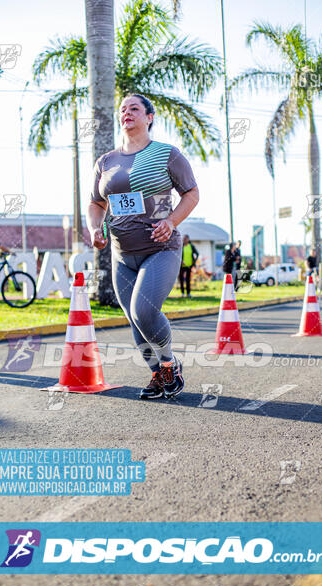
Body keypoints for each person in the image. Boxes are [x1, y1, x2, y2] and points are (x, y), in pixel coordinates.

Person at [87, 93, 199, 400]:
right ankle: (158, 375)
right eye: (123, 109)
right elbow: (96, 203)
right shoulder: (106, 161)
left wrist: (172, 222)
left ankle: (170, 363)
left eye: (134, 108)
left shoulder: (166, 153)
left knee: (144, 310)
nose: (126, 113)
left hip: (160, 249)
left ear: (149, 117)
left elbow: (191, 193)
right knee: (135, 320)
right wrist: (95, 228)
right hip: (122, 255)